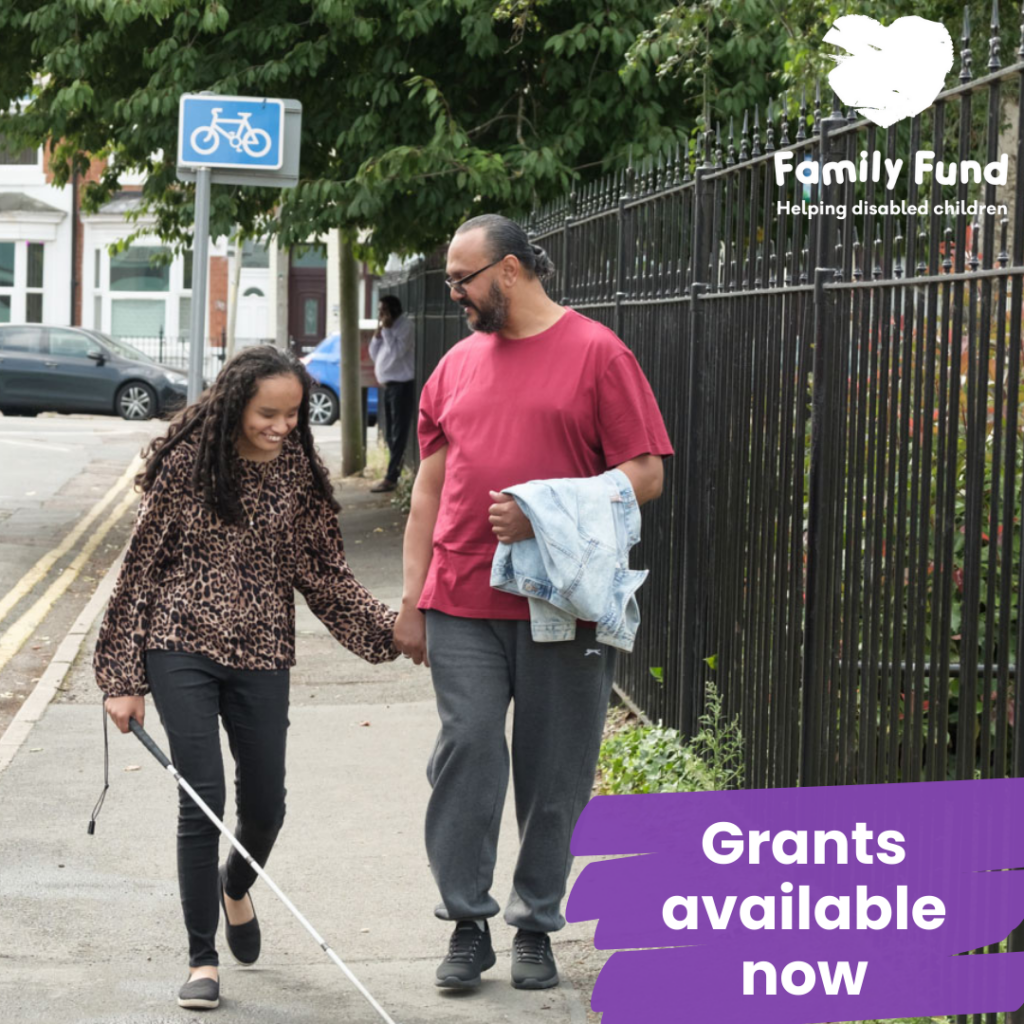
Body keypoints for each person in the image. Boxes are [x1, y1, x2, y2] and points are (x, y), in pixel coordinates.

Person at [393, 214, 674, 991]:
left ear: (510, 270)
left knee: (556, 771)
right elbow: (429, 486)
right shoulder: (454, 366)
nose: (454, 293)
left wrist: (543, 510)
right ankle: (467, 922)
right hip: (461, 595)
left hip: (565, 604)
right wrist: (411, 599)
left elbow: (644, 474)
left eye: (463, 279)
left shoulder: (598, 354)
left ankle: (535, 926)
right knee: (469, 748)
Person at [93, 346, 398, 1012]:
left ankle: (237, 887)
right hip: (180, 644)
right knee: (202, 797)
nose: (283, 425)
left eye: (292, 414)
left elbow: (323, 573)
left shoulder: (298, 472)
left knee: (265, 807)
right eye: (269, 413)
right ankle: (202, 959)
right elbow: (137, 571)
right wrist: (122, 676)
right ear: (236, 405)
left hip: (263, 648)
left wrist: (390, 632)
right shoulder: (187, 465)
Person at [368, 295, 416, 493]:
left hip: (401, 385)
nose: (380, 316)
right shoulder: (386, 329)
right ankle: (394, 468)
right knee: (388, 431)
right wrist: (378, 335)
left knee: (398, 433)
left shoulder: (405, 327)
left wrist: (387, 331)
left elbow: (397, 353)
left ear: (393, 311)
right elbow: (374, 353)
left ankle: (391, 477)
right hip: (387, 385)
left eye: (383, 311)